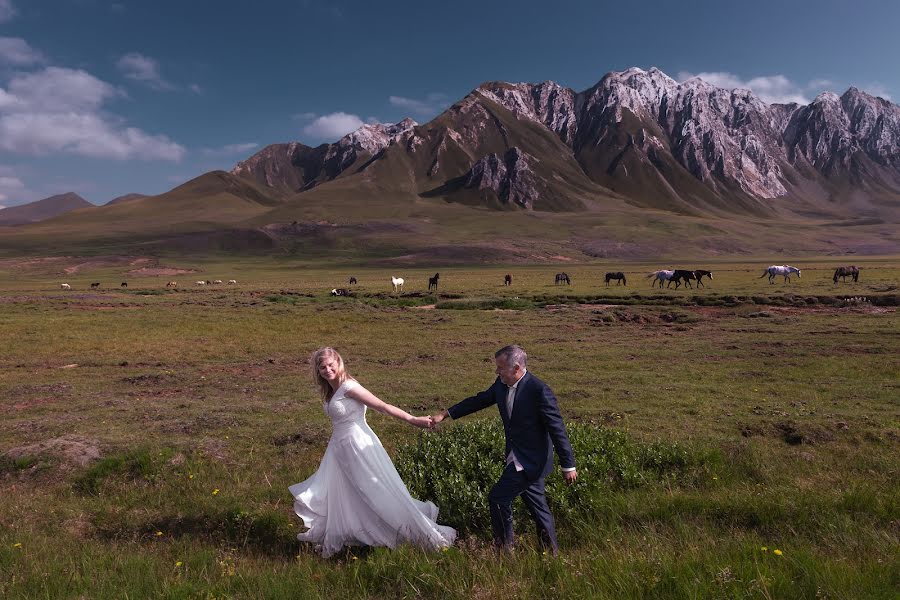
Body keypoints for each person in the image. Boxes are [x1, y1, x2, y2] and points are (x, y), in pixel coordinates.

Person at [289, 347, 456, 558]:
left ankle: (415, 534)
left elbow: (382, 406)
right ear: (318, 370)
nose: (328, 369)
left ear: (339, 363)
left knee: (374, 491)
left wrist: (414, 420)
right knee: (347, 494)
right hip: (339, 449)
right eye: (323, 367)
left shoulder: (349, 387)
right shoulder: (331, 391)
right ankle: (357, 535)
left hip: (357, 445)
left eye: (331, 365)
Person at [431, 345, 576, 555]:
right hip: (515, 456)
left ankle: (504, 551)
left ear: (516, 368)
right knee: (538, 509)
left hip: (531, 461)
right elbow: (479, 400)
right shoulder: (501, 385)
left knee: (498, 498)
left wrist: (568, 464)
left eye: (500, 368)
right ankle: (551, 554)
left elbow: (557, 429)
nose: (497, 372)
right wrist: (445, 414)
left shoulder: (539, 390)